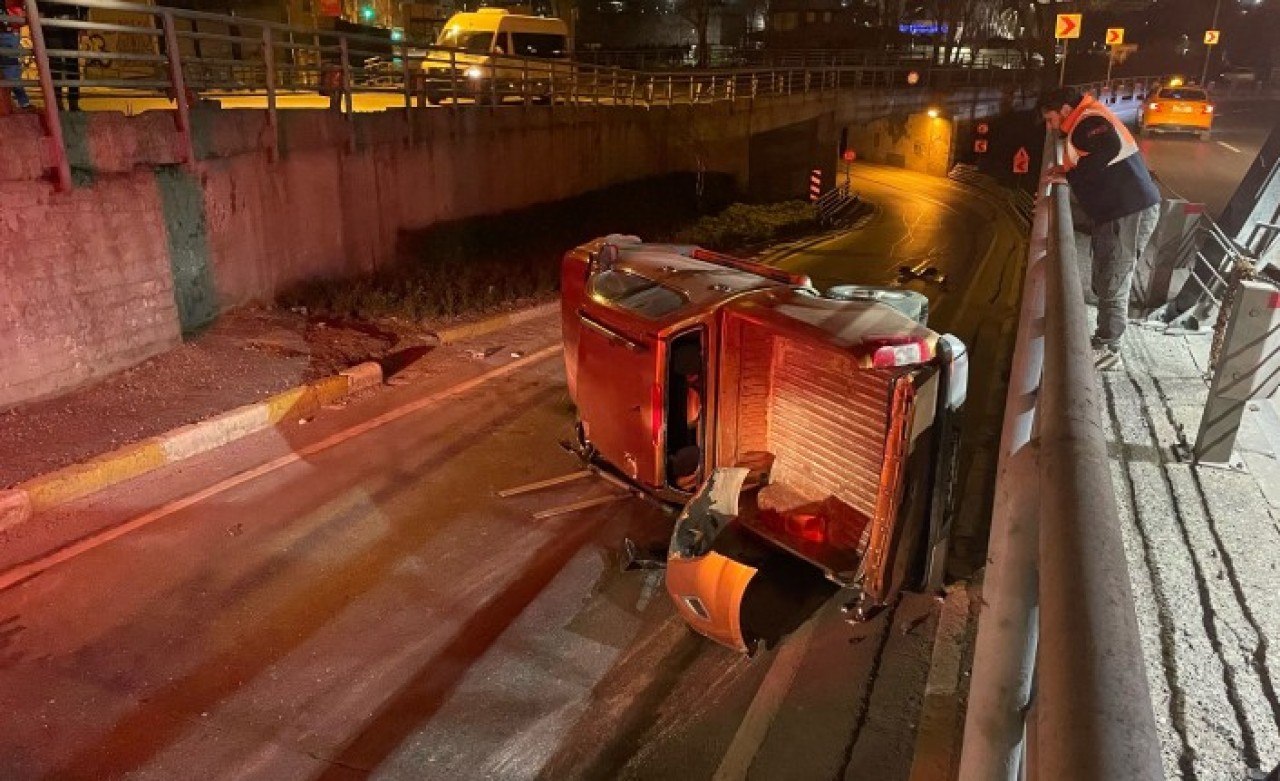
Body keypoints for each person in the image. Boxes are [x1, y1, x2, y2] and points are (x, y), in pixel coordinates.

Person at [1040, 86, 1161, 370]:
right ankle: (1105, 339)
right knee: (1107, 275)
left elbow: (1108, 148)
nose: (1050, 126)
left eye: (1051, 118)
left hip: (1128, 211)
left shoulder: (1088, 122)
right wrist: (1068, 174)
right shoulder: (1086, 119)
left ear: (1066, 110)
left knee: (1114, 278)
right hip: (1120, 210)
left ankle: (1109, 347)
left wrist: (1071, 176)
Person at [39, 1, 86, 111]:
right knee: (56, 64)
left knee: (72, 62)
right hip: (51, 23)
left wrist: (82, 20)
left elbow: (84, 5)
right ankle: (57, 102)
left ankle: (73, 102)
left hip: (69, 23)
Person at [1, 0, 32, 110]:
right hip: (8, 29)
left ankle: (22, 101)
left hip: (8, 29)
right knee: (10, 67)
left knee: (10, 67)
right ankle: (21, 101)